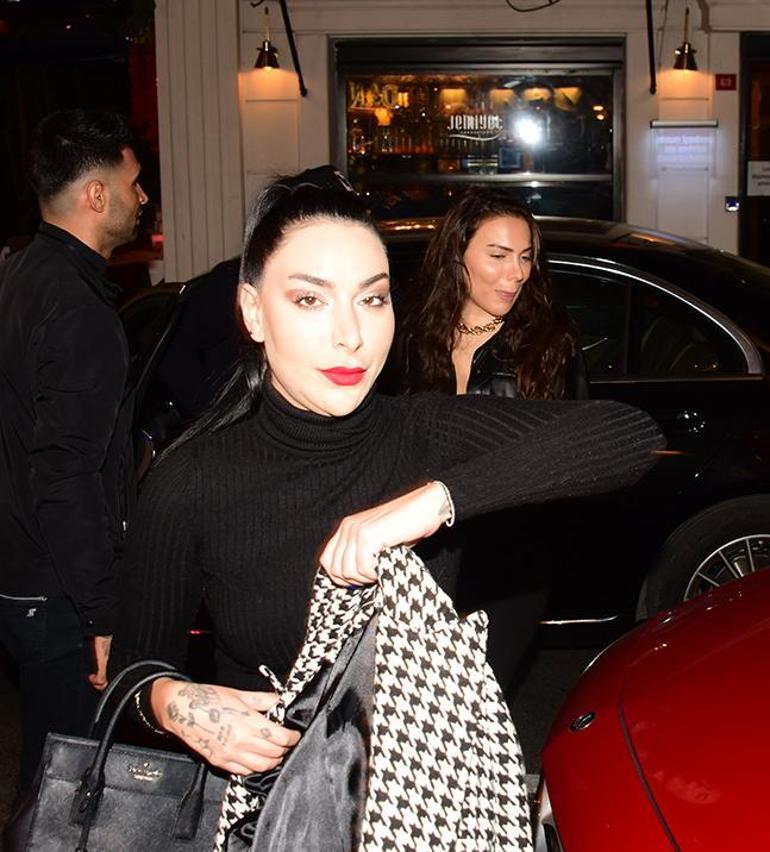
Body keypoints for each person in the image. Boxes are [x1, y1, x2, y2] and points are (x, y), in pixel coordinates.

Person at [108, 167, 662, 797]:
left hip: (418, 797)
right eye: (310, 300)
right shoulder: (193, 479)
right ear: (253, 313)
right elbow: (131, 675)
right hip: (272, 805)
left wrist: (433, 501)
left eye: (372, 299)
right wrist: (178, 706)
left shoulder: (423, 432)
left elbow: (630, 436)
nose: (351, 336)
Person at [0, 108, 147, 796]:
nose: (142, 197)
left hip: (21, 569)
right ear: (95, 194)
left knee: (49, 772)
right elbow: (65, 471)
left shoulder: (22, 274)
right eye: (133, 182)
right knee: (68, 790)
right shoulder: (78, 309)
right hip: (54, 587)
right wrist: (101, 612)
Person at [397, 188, 588, 697]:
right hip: (425, 552)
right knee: (423, 698)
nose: (517, 273)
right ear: (457, 254)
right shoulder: (415, 335)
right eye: (499, 255)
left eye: (525, 257)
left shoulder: (547, 342)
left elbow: (573, 452)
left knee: (479, 696)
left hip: (510, 560)